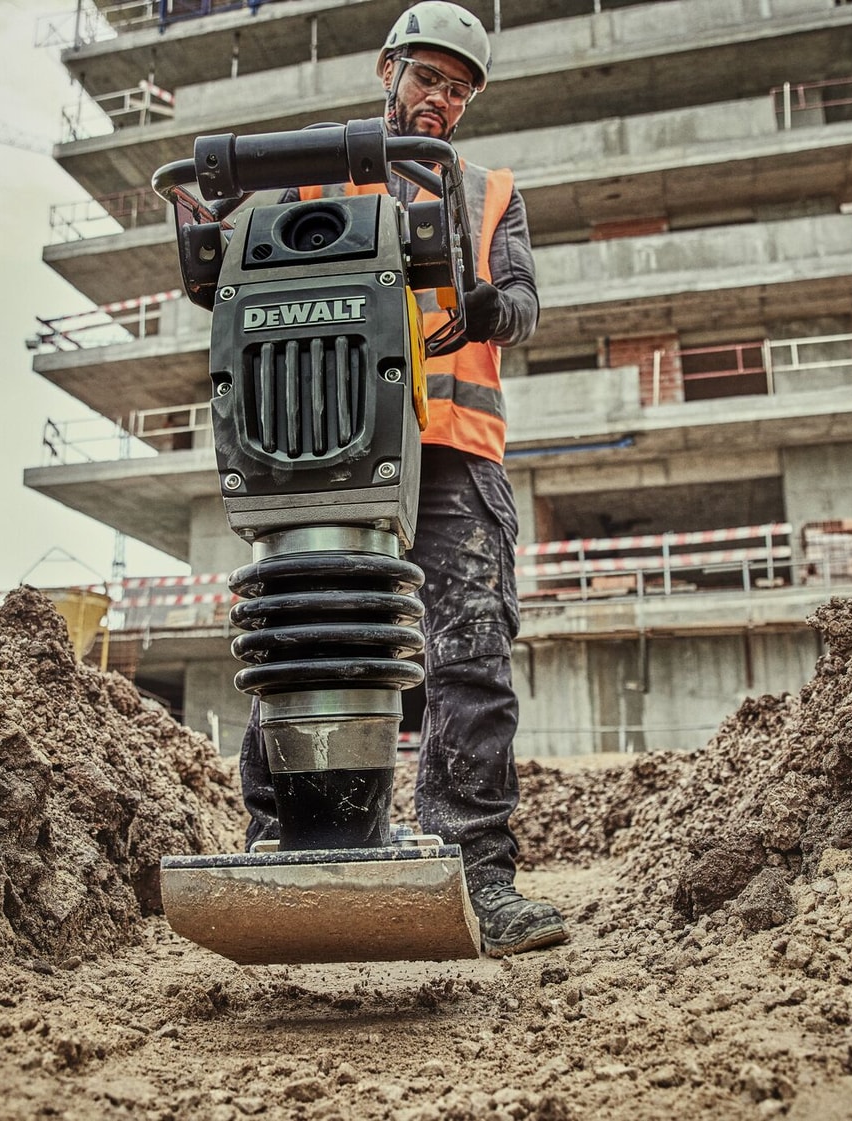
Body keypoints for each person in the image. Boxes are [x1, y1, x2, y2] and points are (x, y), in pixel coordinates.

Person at [237, 0, 567, 956]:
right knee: (310, 642)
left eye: (458, 90)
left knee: (469, 658)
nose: (442, 101)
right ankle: (281, 843)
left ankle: (476, 873)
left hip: (455, 448)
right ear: (388, 68)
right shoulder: (310, 175)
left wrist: (484, 303)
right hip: (331, 437)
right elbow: (249, 279)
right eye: (429, 79)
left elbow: (524, 307)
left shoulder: (488, 190)